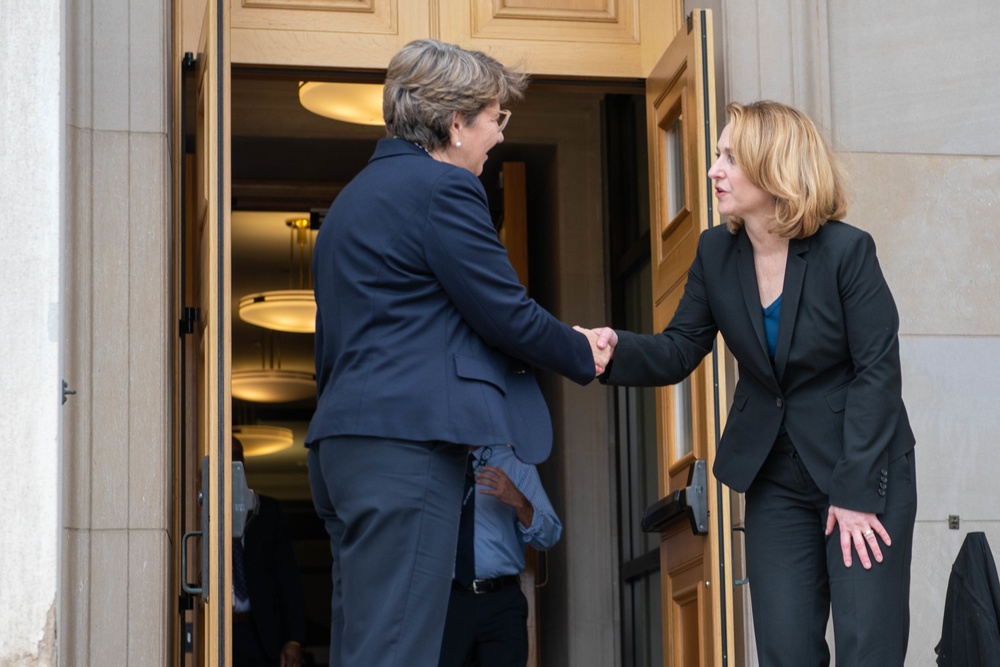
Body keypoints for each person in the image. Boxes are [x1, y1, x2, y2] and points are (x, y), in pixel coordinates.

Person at [305, 39, 609, 667]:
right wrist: (582, 350)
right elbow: (505, 311)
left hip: (343, 452)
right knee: (399, 652)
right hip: (405, 451)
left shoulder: (351, 203)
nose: (499, 136)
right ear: (455, 123)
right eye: (496, 118)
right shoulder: (443, 190)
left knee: (365, 648)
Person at [590, 100, 917, 666]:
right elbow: (678, 348)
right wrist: (611, 351)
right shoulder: (717, 252)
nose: (714, 170)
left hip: (861, 468)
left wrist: (855, 493)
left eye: (729, 157)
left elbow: (878, 371)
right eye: (717, 156)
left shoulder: (847, 251)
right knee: (785, 650)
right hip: (774, 475)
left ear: (775, 168)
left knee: (869, 648)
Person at [438, 444, 561, 667]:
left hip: (501, 603)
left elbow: (549, 536)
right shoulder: (435, 463)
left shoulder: (516, 464)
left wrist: (518, 501)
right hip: (447, 601)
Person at [231, 438, 307, 667]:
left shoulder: (267, 512)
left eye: (237, 457)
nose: (233, 463)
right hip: (219, 630)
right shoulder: (199, 509)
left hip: (263, 634)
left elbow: (288, 578)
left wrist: (294, 639)